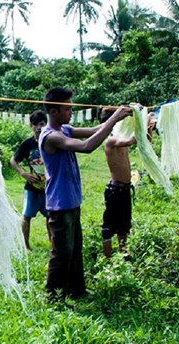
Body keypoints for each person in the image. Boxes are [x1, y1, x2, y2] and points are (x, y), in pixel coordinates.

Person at [38, 87, 131, 300]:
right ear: (53, 111)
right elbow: (87, 146)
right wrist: (114, 117)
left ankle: (76, 289)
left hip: (71, 200)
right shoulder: (51, 137)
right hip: (59, 204)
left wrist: (118, 118)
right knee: (61, 252)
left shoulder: (66, 129)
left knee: (75, 249)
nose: (71, 111)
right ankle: (53, 296)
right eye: (67, 108)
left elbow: (95, 130)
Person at [100, 108, 156, 258]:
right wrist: (145, 118)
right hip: (115, 189)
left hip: (124, 188)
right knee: (109, 226)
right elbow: (134, 139)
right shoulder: (111, 140)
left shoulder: (120, 138)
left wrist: (149, 128)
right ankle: (108, 259)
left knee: (124, 225)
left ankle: (123, 255)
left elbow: (144, 140)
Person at [10, 110, 50, 251]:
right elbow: (13, 160)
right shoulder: (27, 144)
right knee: (26, 217)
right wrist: (23, 173)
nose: (39, 127)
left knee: (50, 218)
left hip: (49, 189)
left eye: (42, 124)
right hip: (32, 188)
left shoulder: (51, 141)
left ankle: (53, 244)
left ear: (46, 124)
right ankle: (26, 246)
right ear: (31, 126)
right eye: (35, 125)